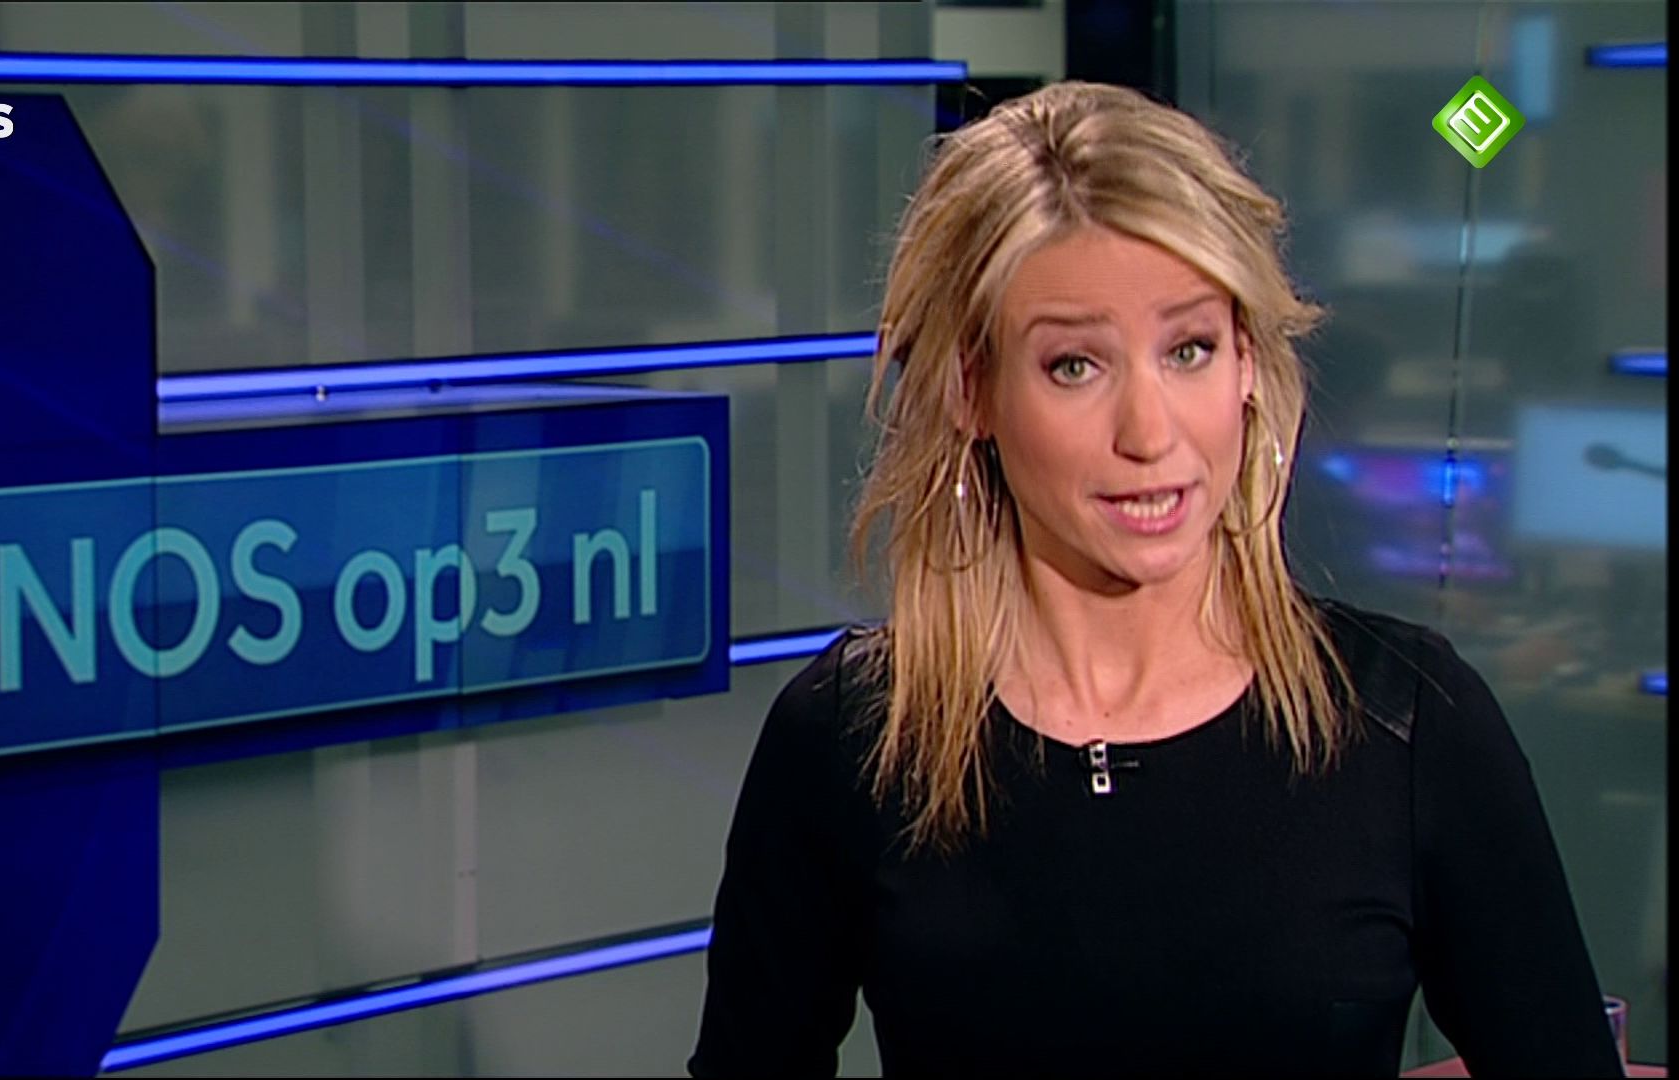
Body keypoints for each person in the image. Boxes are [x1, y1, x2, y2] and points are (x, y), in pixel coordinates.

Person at [688, 82, 1622, 1078]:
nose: (1150, 432)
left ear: (1248, 364)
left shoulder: (1407, 725)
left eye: (1189, 349)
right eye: (1075, 366)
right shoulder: (851, 741)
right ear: (972, 388)